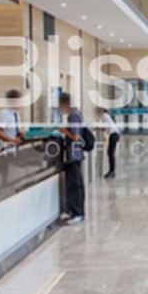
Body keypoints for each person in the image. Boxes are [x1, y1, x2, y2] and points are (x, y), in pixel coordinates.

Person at [57, 90, 86, 223]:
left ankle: (76, 213)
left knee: (74, 185)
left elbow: (75, 137)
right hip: (77, 154)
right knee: (77, 184)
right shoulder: (77, 114)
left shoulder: (73, 116)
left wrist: (64, 131)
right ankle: (78, 212)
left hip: (73, 155)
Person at [0, 88, 27, 153]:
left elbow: (11, 131)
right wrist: (12, 141)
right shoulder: (5, 113)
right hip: (8, 151)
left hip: (16, 150)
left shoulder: (16, 113)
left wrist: (19, 134)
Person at [99, 108, 121, 178]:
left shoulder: (105, 115)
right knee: (110, 153)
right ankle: (112, 171)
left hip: (113, 134)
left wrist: (98, 127)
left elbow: (106, 126)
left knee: (110, 153)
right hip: (115, 134)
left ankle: (112, 171)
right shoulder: (107, 116)